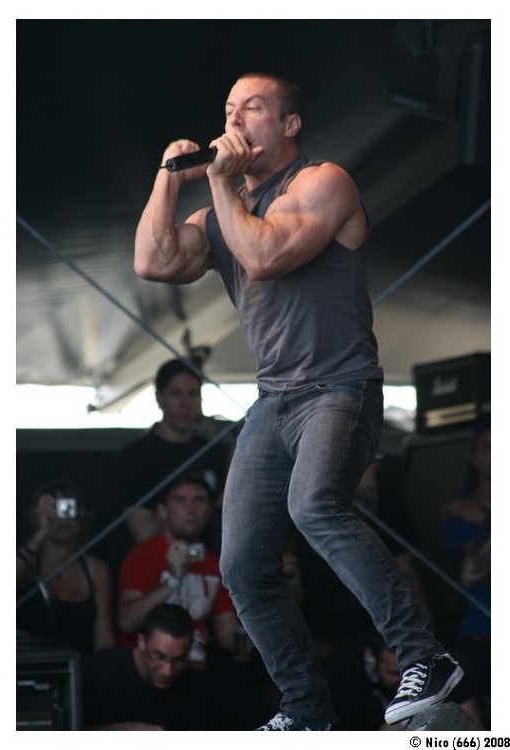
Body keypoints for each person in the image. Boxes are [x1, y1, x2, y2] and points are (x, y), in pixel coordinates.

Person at [134, 71, 463, 729]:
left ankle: (424, 656)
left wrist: (220, 182)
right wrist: (168, 178)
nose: (234, 120)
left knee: (314, 505)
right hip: (273, 402)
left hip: (338, 387)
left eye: (251, 108)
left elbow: (265, 255)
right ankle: (306, 708)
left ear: (289, 124)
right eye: (228, 109)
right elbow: (154, 261)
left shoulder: (323, 182)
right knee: (241, 563)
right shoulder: (222, 212)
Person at [117, 474, 238, 668]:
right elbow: (126, 622)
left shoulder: (214, 562)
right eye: (180, 500)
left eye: (199, 500)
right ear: (162, 511)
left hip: (197, 671)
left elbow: (228, 634)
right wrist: (172, 580)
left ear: (209, 511)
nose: (191, 509)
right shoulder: (143, 556)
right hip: (149, 671)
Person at [114, 358, 231, 546]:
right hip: (158, 559)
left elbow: (226, 516)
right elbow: (142, 531)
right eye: (176, 393)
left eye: (192, 394)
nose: (185, 403)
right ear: (159, 398)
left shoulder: (215, 452)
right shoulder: (135, 456)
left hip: (211, 559)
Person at [16, 479, 115, 654]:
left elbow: (104, 639)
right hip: (28, 664)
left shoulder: (96, 570)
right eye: (53, 510)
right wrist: (41, 531)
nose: (64, 517)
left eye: (70, 508)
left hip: (79, 665)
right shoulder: (26, 563)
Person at [81, 603, 217, 729]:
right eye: (159, 656)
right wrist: (127, 731)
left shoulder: (192, 684)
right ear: (141, 641)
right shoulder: (101, 671)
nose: (168, 671)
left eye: (178, 660)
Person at [442, 416, 491, 726]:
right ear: (473, 457)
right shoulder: (458, 511)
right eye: (488, 448)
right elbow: (470, 575)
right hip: (483, 633)